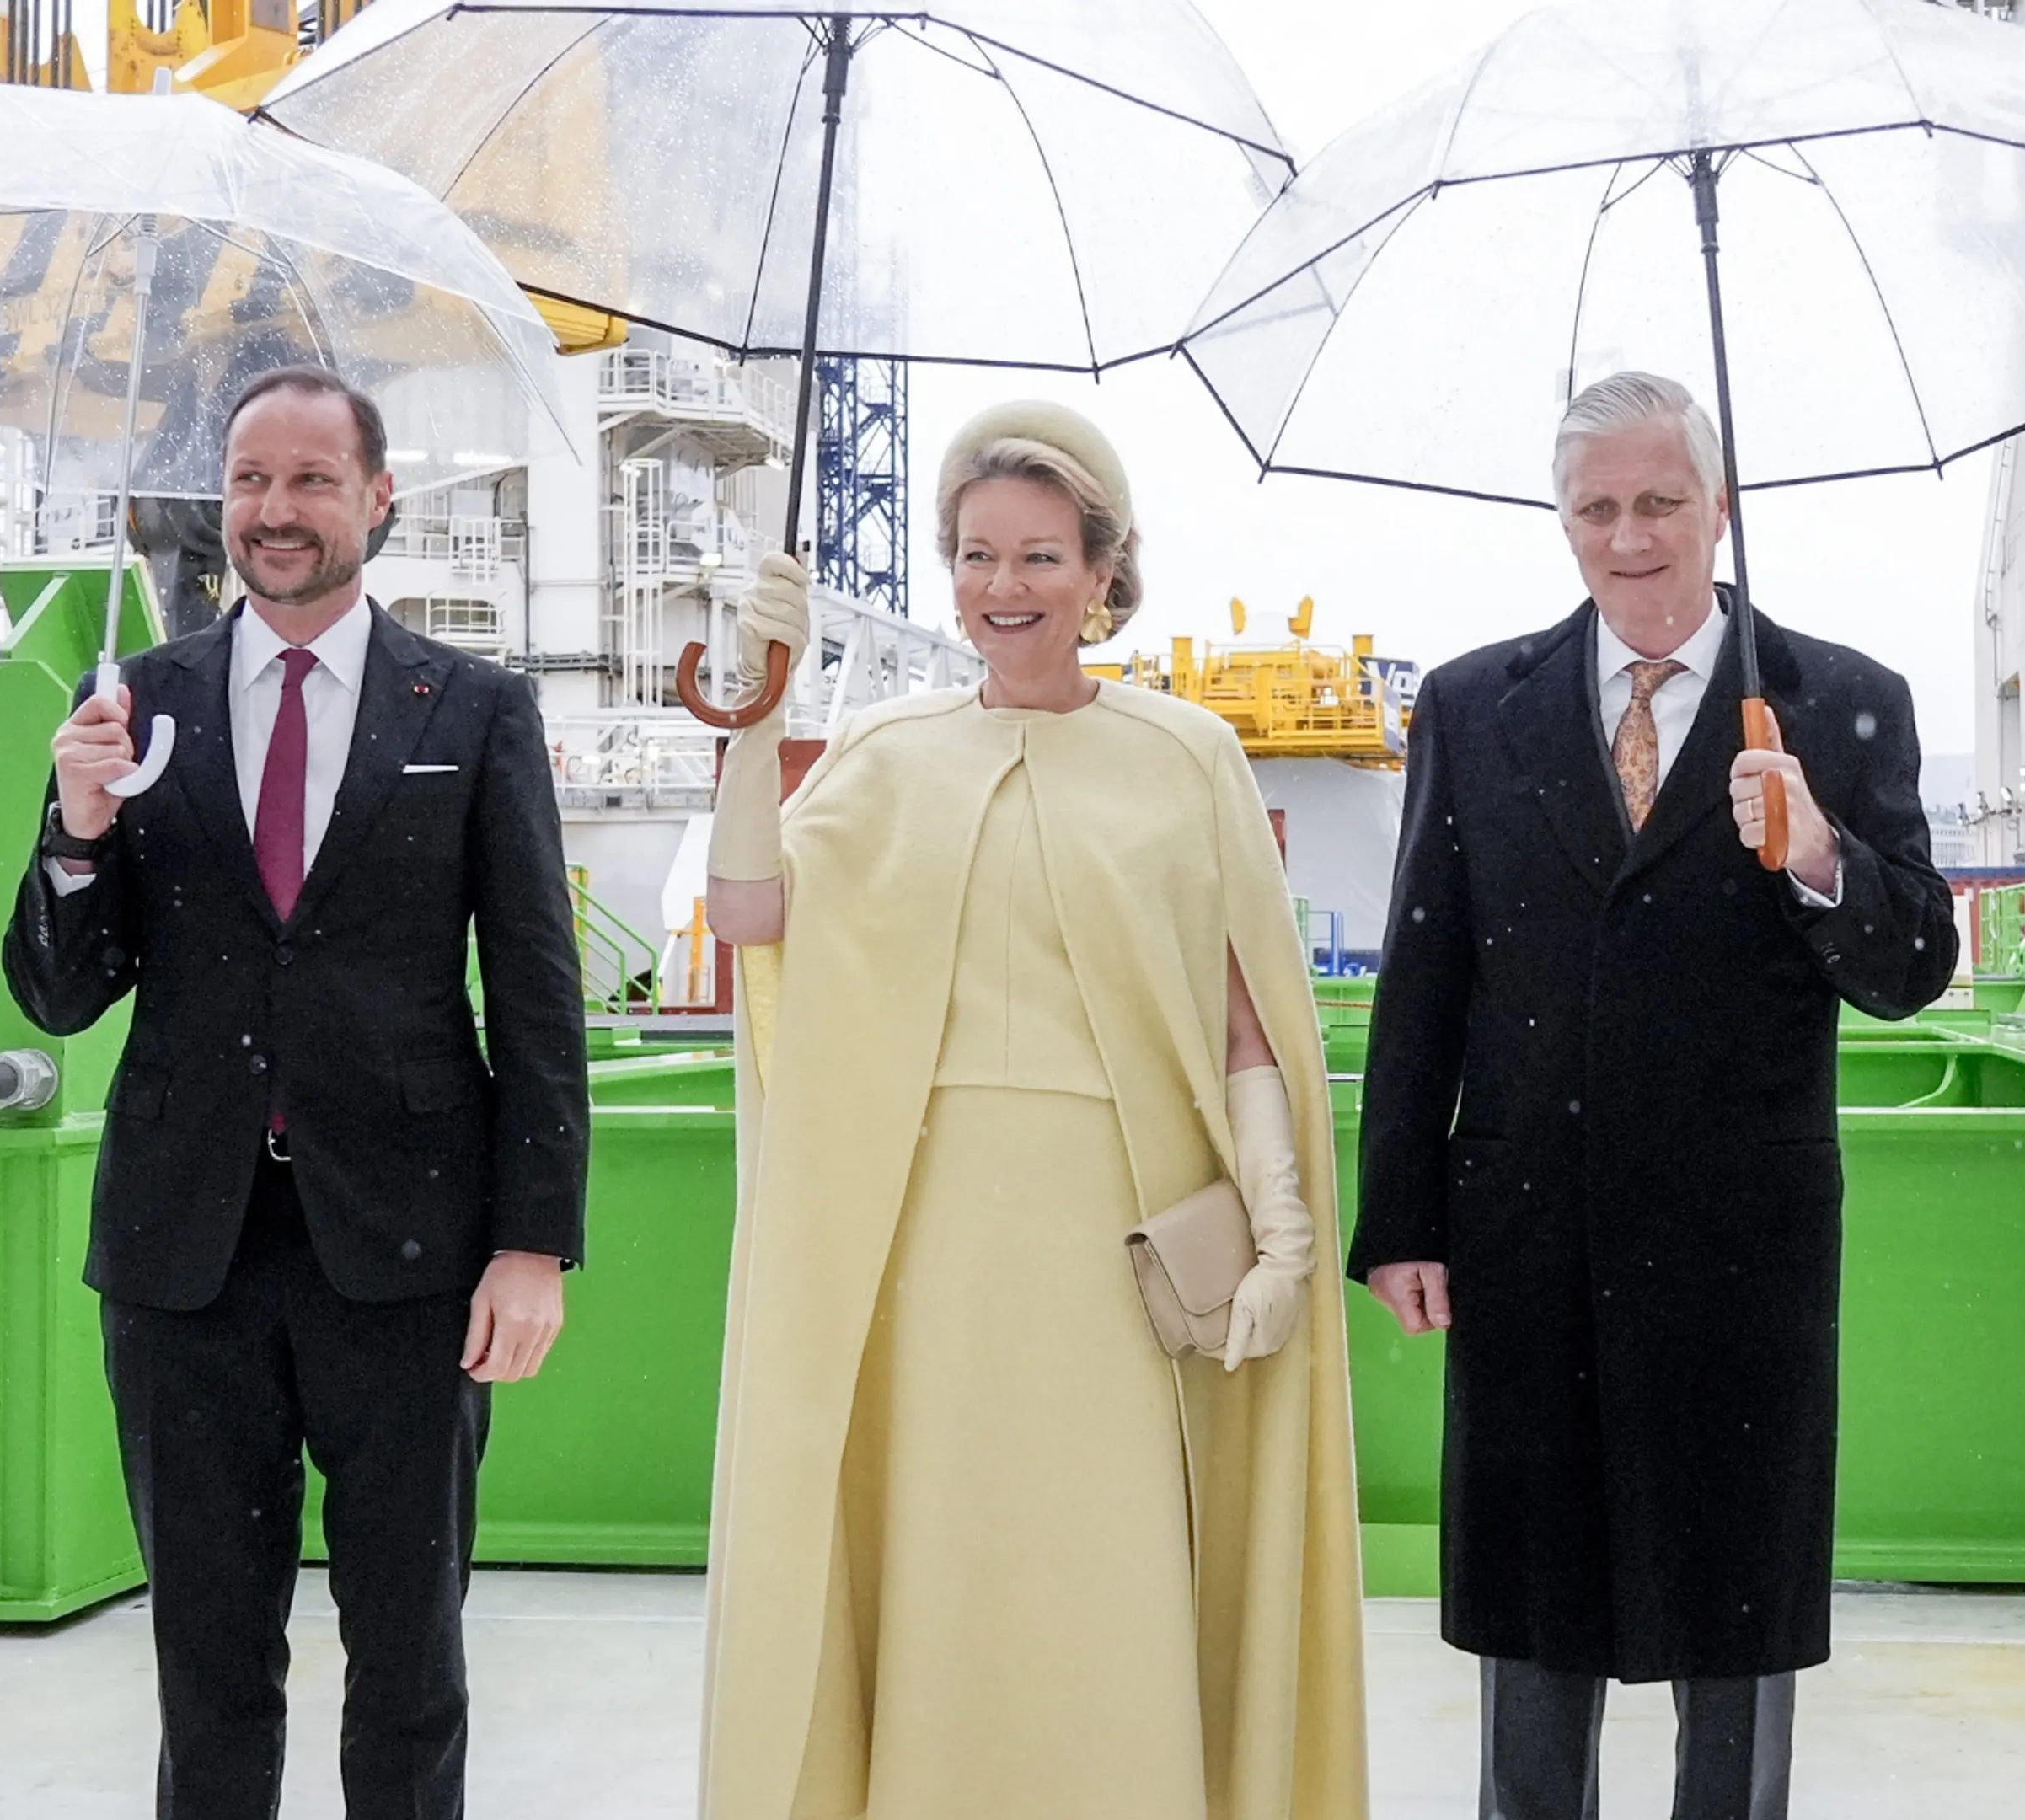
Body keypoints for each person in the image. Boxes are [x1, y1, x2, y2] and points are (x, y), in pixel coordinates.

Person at [694, 402, 1370, 1820]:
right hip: (931, 1242)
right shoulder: (883, 749)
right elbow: (755, 918)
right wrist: (754, 724)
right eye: (979, 555)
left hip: (1114, 1239)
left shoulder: (1188, 756)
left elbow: (1244, 1020)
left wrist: (1284, 1224)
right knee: (944, 1552)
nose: (1005, 587)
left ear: (1105, 572)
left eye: (1042, 556)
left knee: (1103, 1565)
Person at [1349, 372, 1958, 1820]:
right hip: (1528, 1230)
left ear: (1719, 506)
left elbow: (1916, 966)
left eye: (1661, 503)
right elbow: (1426, 974)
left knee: (1736, 1606)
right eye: (1597, 509)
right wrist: (1401, 1215)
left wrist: (1820, 854)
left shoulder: (1842, 704)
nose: (1629, 538)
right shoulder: (1472, 706)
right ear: (1563, 521)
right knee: (1533, 1612)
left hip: (1738, 1243)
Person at [3, 363, 589, 1820]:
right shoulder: (134, 706)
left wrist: (534, 1242)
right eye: (252, 480)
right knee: (206, 1660)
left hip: (408, 1251)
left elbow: (536, 989)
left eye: (312, 480)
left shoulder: (474, 709)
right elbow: (62, 993)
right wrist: (78, 826)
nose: (276, 509)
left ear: (377, 500)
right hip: (184, 1254)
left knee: (410, 1655)